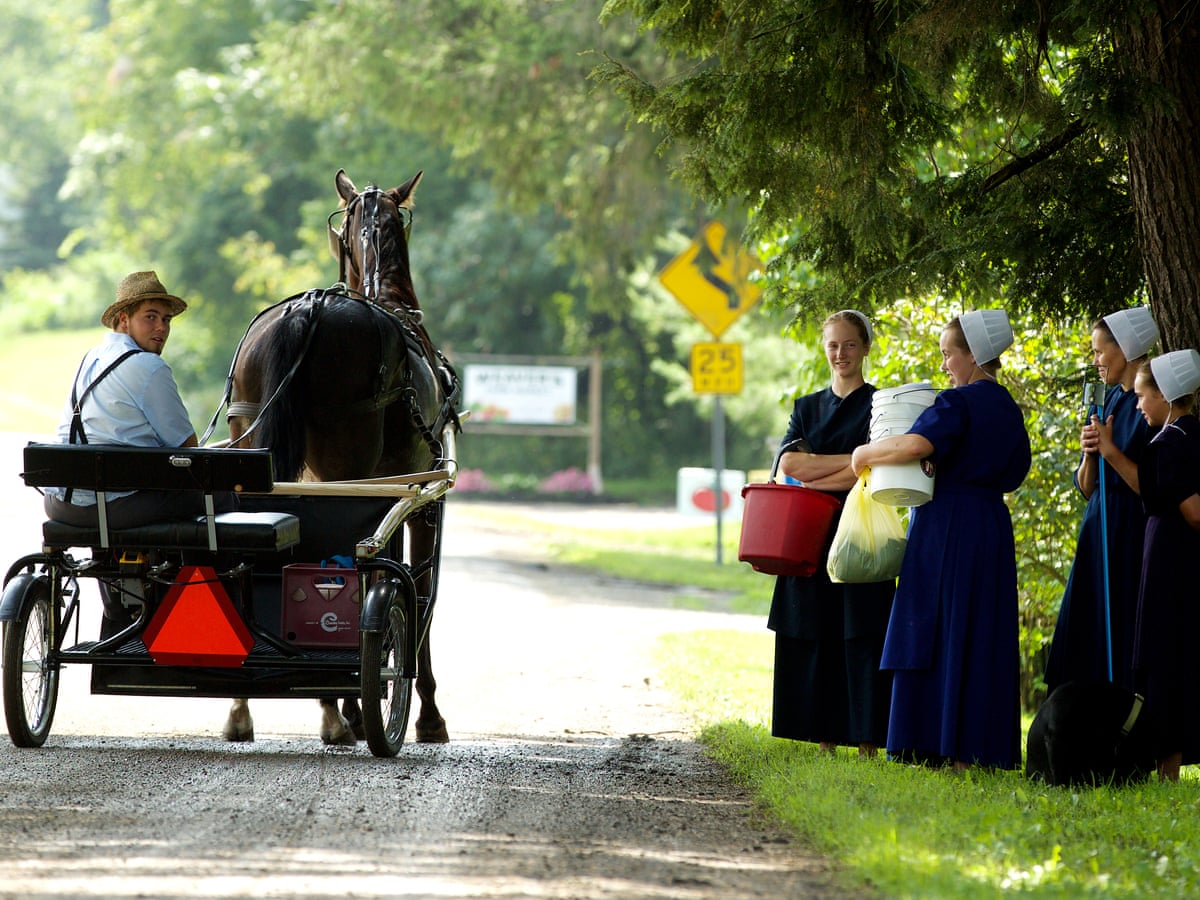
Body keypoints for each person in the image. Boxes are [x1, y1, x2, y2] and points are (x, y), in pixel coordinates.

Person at [851, 309, 1031, 771]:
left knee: (938, 626)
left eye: (950, 354)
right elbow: (1015, 474)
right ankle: (976, 748)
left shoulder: (959, 402)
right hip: (990, 524)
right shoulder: (1009, 408)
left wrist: (864, 454)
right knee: (981, 631)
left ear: (974, 355)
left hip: (946, 523)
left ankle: (932, 743)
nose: (946, 364)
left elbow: (914, 446)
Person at [767, 309, 894, 758]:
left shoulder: (881, 406)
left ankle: (866, 742)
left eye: (850, 345)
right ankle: (824, 739)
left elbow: (874, 471)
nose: (841, 354)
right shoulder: (807, 406)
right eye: (833, 345)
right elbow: (790, 465)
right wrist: (851, 462)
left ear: (865, 348)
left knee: (860, 631)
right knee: (816, 629)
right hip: (809, 534)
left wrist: (826, 469)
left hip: (860, 529)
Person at [43, 270, 220, 528]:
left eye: (166, 319)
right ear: (124, 320)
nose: (162, 327)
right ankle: (200, 568)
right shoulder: (149, 366)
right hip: (110, 507)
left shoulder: (91, 357)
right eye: (150, 317)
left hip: (59, 503)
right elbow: (188, 451)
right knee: (221, 493)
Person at [1044, 307, 1158, 692]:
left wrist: (1109, 452)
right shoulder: (1106, 400)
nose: (1094, 361)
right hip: (1099, 523)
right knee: (1088, 621)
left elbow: (1153, 484)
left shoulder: (1150, 406)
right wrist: (1091, 454)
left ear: (1124, 349)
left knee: (1123, 622)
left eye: (1099, 351)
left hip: (1130, 526)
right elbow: (1086, 486)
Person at [1129, 349, 1200, 781]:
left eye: (1143, 396)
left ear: (1167, 396)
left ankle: (1166, 766)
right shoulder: (1193, 436)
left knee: (1166, 653)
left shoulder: (1171, 444)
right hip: (1179, 553)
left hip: (1171, 555)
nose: (1138, 405)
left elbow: (1192, 510)